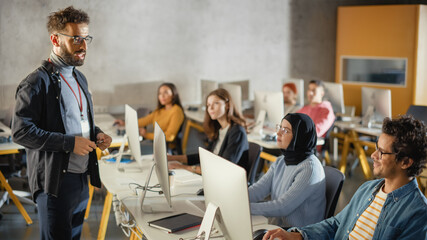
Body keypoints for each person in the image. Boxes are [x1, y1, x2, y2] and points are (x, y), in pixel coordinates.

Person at [11, 6, 112, 240]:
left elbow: (77, 121)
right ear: (55, 39)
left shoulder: (79, 78)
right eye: (76, 38)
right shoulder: (35, 83)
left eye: (86, 38)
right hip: (54, 184)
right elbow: (21, 131)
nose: (83, 45)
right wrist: (69, 143)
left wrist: (96, 134)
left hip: (80, 178)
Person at [262, 115, 427, 240]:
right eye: (377, 147)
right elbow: (335, 224)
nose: (373, 155)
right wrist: (296, 235)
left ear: (405, 162)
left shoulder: (417, 213)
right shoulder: (368, 189)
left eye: (382, 152)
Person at [249, 113, 326, 228]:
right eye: (280, 127)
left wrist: (245, 207)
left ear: (299, 137)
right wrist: (237, 198)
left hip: (298, 234)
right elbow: (259, 189)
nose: (278, 133)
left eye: (286, 130)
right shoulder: (281, 161)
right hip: (278, 229)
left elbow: (282, 207)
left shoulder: (309, 169)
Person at [168, 88, 248, 174]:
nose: (211, 108)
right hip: (214, 177)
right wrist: (173, 158)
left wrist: (183, 167)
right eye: (208, 105)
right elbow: (204, 156)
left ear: (227, 105)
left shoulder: (237, 132)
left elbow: (223, 168)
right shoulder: (219, 129)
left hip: (227, 182)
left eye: (216, 103)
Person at [115, 82, 185, 153]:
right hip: (155, 142)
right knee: (124, 149)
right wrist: (124, 123)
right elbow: (144, 121)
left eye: (165, 93)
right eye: (160, 93)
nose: (162, 96)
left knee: (127, 150)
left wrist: (146, 134)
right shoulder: (160, 110)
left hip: (164, 147)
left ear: (173, 94)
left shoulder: (176, 111)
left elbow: (170, 136)